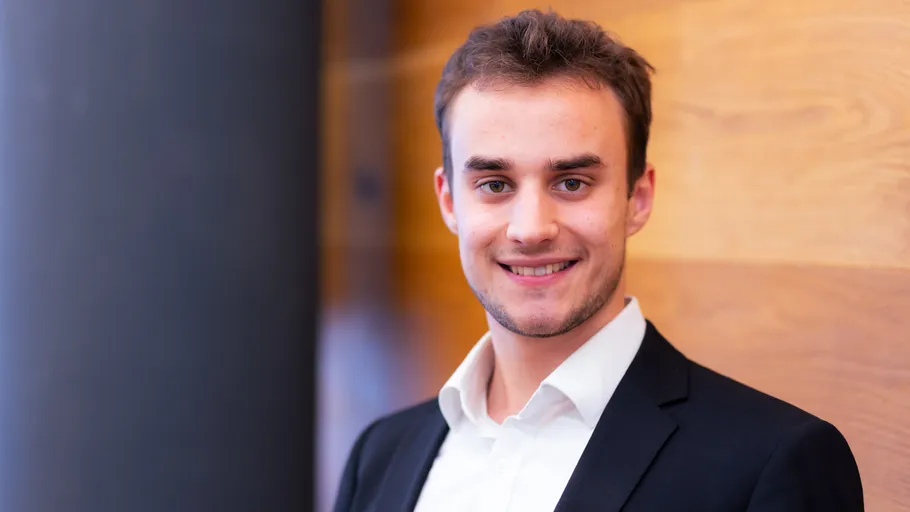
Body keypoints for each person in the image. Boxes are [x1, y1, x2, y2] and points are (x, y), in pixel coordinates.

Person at [332, 9, 864, 512]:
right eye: (494, 184)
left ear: (638, 198)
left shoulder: (772, 462)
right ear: (449, 202)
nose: (531, 229)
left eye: (571, 182)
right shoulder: (379, 455)